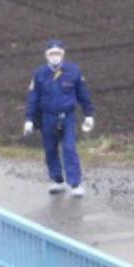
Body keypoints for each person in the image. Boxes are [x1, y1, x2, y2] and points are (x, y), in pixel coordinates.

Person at [23, 39, 96, 197]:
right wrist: (29, 119)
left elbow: (83, 94)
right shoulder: (39, 74)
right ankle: (57, 180)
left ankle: (75, 184)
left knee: (69, 149)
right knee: (50, 150)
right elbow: (33, 97)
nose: (55, 57)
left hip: (68, 117)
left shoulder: (73, 71)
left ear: (62, 54)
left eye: (57, 53)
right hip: (47, 118)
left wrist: (89, 114)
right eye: (52, 54)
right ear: (46, 56)